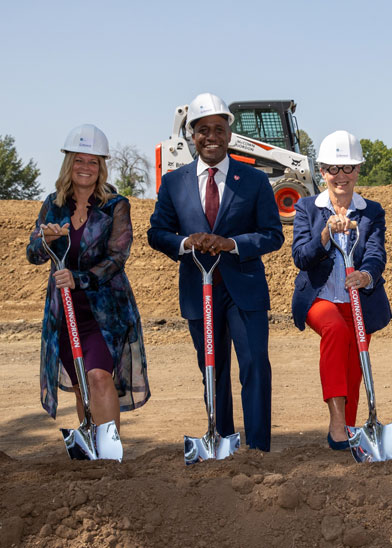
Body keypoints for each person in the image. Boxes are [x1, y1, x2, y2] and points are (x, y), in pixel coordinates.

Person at [148, 93, 283, 451]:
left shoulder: (253, 180)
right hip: (199, 290)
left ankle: (257, 449)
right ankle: (222, 441)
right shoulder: (174, 184)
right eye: (203, 130)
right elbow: (156, 233)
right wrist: (184, 243)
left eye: (219, 129)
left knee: (254, 367)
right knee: (213, 369)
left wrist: (232, 243)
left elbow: (273, 235)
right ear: (192, 134)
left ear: (228, 134)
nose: (211, 136)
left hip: (244, 291)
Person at [26, 124, 150, 429]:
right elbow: (33, 254)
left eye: (93, 161)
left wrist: (79, 279)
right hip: (64, 312)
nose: (86, 167)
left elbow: (117, 258)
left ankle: (109, 454)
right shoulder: (52, 206)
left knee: (98, 375)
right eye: (79, 160)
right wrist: (47, 241)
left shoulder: (115, 206)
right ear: (69, 164)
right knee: (82, 381)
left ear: (102, 167)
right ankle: (92, 450)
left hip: (104, 311)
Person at [291, 131, 391, 450]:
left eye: (348, 168)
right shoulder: (308, 208)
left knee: (354, 361)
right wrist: (323, 236)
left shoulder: (371, 211)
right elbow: (300, 257)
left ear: (358, 170)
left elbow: (376, 253)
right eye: (333, 168)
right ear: (322, 171)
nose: (341, 176)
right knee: (335, 331)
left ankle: (349, 428)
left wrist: (365, 274)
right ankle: (337, 425)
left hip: (358, 300)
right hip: (319, 298)